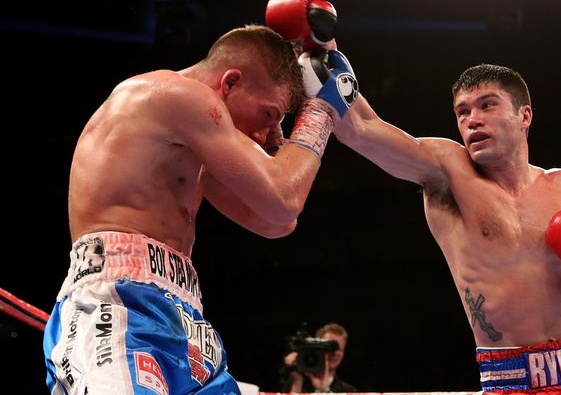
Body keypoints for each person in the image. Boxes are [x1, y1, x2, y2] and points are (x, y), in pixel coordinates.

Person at [43, 23, 357, 395]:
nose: (267, 134)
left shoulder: (190, 146)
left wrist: (285, 134)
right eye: (270, 115)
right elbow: (282, 198)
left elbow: (278, 221)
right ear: (230, 83)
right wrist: (320, 112)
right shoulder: (174, 95)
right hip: (119, 304)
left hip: (184, 315)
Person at [332, 63, 561, 393]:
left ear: (525, 116)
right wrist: (324, 49)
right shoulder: (448, 172)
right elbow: (359, 127)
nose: (472, 119)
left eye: (487, 105)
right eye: (462, 112)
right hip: (513, 381)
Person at [280, 323, 357, 393]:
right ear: (316, 348)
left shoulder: (347, 391)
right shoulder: (295, 382)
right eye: (330, 348)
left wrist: (324, 389)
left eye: (339, 349)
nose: (335, 353)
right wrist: (297, 383)